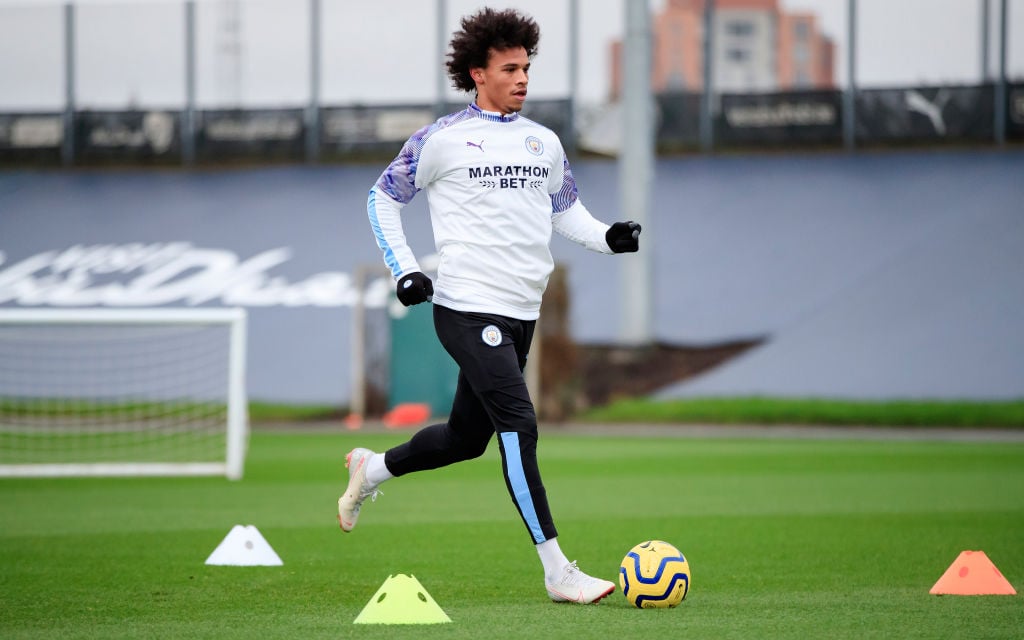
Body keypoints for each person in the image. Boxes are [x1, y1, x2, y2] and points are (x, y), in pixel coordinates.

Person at [339, 7, 641, 605]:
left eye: (527, 67)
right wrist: (406, 271)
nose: (523, 78)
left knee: (463, 440)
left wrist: (607, 236)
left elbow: (564, 211)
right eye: (510, 68)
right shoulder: (441, 139)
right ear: (478, 73)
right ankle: (558, 571)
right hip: (465, 309)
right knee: (519, 425)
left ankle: (369, 470)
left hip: (521, 312)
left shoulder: (544, 142)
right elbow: (381, 198)